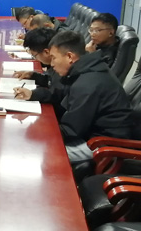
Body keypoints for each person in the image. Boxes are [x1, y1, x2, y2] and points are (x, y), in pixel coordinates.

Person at [43, 31, 131, 164]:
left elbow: (71, 130)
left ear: (69, 56)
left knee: (43, 152)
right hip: (90, 134)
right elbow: (60, 95)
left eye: (54, 58)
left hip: (103, 143)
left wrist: (40, 133)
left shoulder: (87, 83)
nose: (52, 64)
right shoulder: (86, 70)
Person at [13, 28, 65, 118]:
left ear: (46, 52)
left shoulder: (63, 67)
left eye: (35, 55)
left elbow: (58, 94)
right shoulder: (56, 64)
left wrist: (32, 94)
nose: (36, 59)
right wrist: (34, 76)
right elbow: (51, 81)